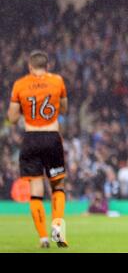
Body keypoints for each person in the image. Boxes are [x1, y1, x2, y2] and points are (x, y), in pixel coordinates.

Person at [7, 50, 69, 248]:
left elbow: (13, 118)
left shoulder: (20, 85)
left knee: (35, 191)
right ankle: (57, 227)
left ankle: (43, 238)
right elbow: (64, 108)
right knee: (57, 186)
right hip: (52, 137)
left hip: (31, 138)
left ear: (29, 66)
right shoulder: (57, 81)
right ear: (47, 66)